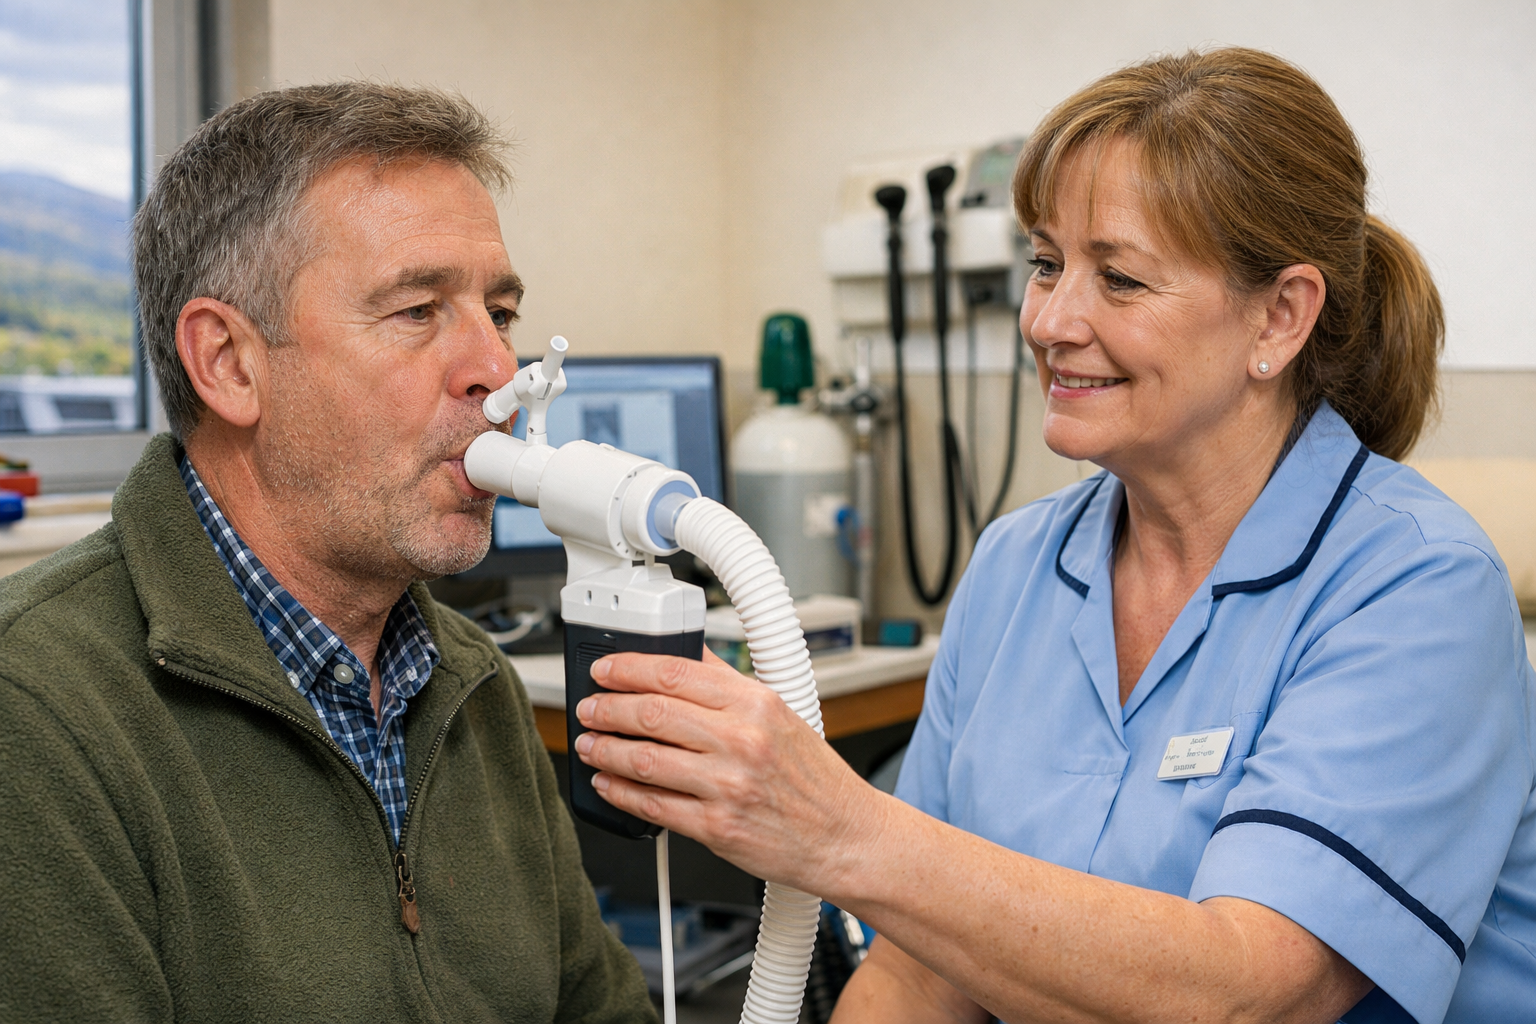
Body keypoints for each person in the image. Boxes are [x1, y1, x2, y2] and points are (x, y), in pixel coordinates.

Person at [566, 48, 1536, 1024]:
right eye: (1045, 264)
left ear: (1279, 318)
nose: (1049, 321)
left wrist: (840, 829)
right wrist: (848, 845)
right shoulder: (1016, 565)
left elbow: (1249, 996)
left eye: (1119, 278)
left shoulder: (1417, 587)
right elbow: (921, 971)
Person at [0, 83, 656, 1023]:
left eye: (500, 313)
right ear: (228, 363)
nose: (498, 372)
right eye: (418, 310)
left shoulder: (473, 682)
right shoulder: (36, 712)